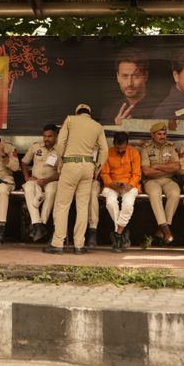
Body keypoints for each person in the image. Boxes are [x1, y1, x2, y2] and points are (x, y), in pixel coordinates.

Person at [45, 104, 108, 254]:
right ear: (89, 114)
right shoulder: (97, 126)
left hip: (71, 164)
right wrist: (97, 168)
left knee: (62, 205)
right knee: (82, 207)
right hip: (88, 167)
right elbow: (104, 150)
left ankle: (58, 243)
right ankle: (79, 244)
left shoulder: (70, 120)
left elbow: (60, 143)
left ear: (77, 113)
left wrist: (60, 161)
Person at [100, 131, 142, 253]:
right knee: (111, 203)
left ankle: (117, 234)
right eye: (117, 148)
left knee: (128, 205)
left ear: (127, 144)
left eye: (122, 148)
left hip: (129, 185)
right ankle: (123, 230)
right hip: (112, 185)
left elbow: (137, 174)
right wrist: (111, 184)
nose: (120, 151)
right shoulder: (107, 152)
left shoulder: (133, 152)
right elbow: (104, 173)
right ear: (113, 144)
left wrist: (130, 184)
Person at [140, 122, 181, 244]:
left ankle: (162, 229)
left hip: (168, 180)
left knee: (175, 192)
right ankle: (165, 228)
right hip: (151, 181)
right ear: (152, 135)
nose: (162, 136)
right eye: (159, 134)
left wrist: (157, 166)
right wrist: (167, 168)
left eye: (164, 134)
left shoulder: (171, 147)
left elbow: (177, 166)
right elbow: (147, 171)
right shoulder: (146, 149)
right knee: (154, 193)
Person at [21, 123, 61, 242]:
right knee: (28, 187)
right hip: (36, 179)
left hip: (52, 180)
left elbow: (61, 173)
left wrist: (47, 180)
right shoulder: (35, 146)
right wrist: (27, 177)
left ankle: (41, 224)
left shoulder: (61, 150)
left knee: (51, 191)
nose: (46, 139)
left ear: (56, 136)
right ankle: (38, 224)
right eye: (45, 136)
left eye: (50, 136)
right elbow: (24, 162)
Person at [99, 48, 159, 125]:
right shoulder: (108, 112)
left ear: (145, 76)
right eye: (124, 76)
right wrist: (116, 128)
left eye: (136, 76)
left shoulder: (160, 109)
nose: (129, 83)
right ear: (118, 77)